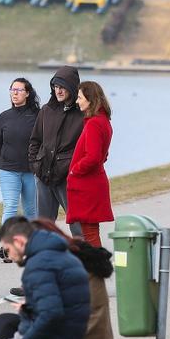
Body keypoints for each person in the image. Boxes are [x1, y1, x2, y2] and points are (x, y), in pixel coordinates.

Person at [29, 66, 84, 237]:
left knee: (77, 224)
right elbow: (35, 140)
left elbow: (85, 147)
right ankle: (45, 257)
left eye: (62, 87)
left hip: (68, 177)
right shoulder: (47, 110)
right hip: (44, 175)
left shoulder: (82, 113)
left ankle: (84, 257)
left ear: (72, 88)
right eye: (55, 86)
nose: (58, 91)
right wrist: (35, 165)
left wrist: (72, 169)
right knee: (43, 225)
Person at [67, 82, 115, 247]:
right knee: (90, 231)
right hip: (94, 182)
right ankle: (93, 269)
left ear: (90, 99)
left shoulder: (94, 123)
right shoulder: (103, 121)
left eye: (80, 97)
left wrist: (74, 170)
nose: (77, 101)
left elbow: (94, 157)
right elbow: (104, 155)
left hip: (88, 185)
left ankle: (96, 270)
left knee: (89, 233)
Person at [0, 78, 41, 223]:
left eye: (19, 90)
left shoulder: (38, 115)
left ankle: (30, 243)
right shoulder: (4, 116)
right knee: (10, 208)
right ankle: (7, 244)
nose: (15, 93)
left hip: (30, 171)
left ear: (27, 93)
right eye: (13, 90)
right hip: (8, 170)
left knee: (31, 210)